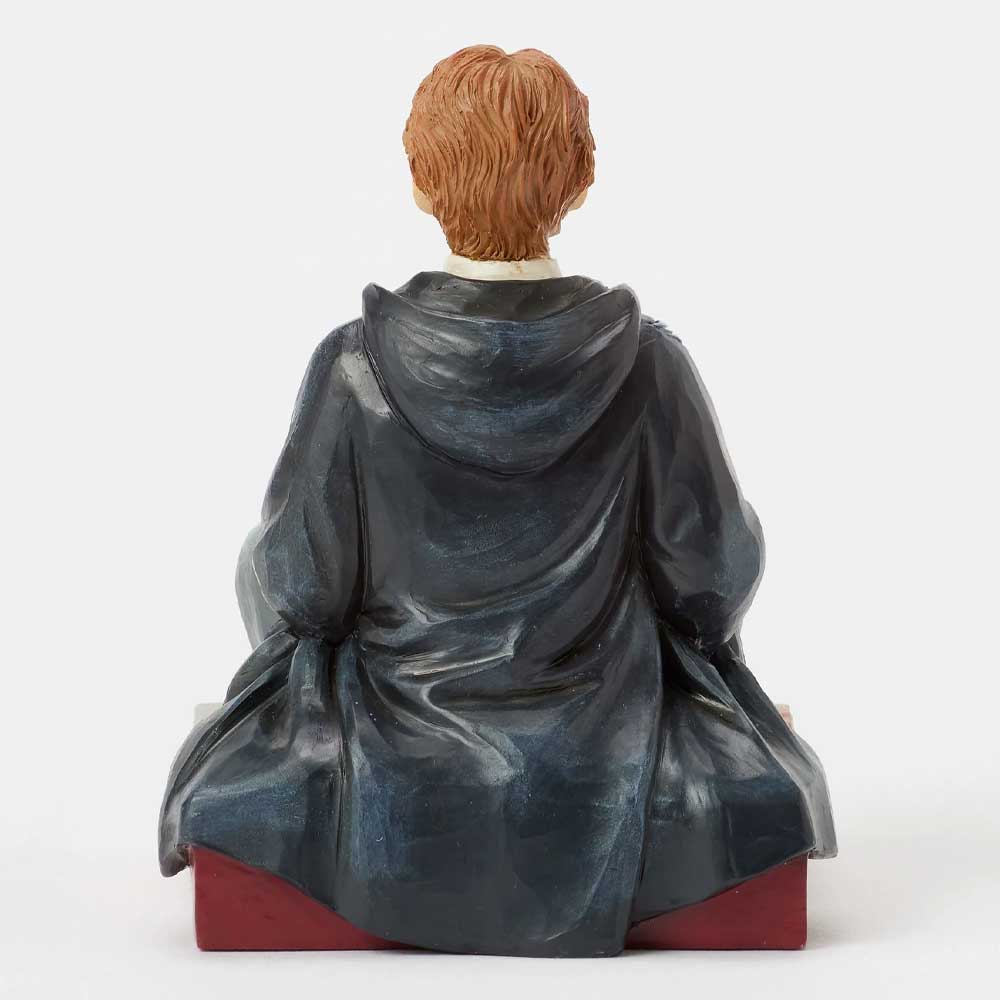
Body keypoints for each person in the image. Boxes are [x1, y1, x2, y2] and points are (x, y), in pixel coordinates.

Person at [159, 45, 835, 957]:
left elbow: (305, 592)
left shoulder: (355, 367)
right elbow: (712, 582)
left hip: (391, 728)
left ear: (420, 179)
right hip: (609, 732)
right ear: (581, 178)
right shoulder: (648, 365)